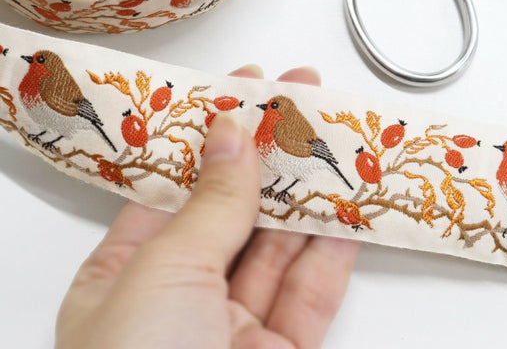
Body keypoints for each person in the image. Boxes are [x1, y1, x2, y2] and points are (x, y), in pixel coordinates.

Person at [55, 66, 360, 348]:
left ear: (281, 111)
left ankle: (282, 190)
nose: (267, 109)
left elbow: (302, 155)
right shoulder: (272, 124)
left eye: (273, 107)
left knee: (288, 178)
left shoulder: (284, 128)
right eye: (269, 106)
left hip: (306, 162)